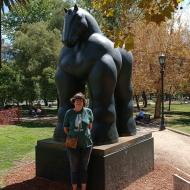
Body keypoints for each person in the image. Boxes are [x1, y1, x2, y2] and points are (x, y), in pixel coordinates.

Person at [63, 92, 93, 190]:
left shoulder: (88, 112)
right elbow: (65, 128)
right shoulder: (69, 113)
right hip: (72, 146)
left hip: (86, 145)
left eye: (81, 100)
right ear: (74, 102)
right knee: (74, 168)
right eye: (77, 100)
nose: (79, 102)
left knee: (84, 168)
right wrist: (72, 136)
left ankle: (83, 189)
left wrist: (84, 135)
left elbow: (90, 126)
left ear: (84, 102)